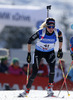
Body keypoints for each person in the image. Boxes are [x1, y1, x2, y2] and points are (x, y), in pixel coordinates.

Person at [19, 18, 63, 97]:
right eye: (49, 27)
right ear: (46, 26)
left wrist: (60, 50)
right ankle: (27, 91)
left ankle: (50, 89)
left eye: (53, 27)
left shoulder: (57, 32)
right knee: (35, 71)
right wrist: (29, 53)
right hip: (39, 52)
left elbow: (61, 39)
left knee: (52, 69)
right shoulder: (41, 32)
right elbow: (29, 40)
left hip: (49, 52)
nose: (51, 29)